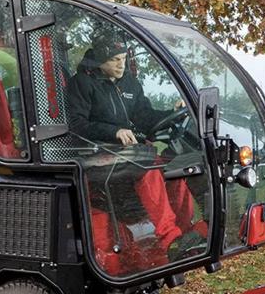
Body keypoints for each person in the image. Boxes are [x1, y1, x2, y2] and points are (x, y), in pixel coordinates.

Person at [67, 36, 203, 261]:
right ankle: (169, 238)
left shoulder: (129, 83)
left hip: (126, 153)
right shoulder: (81, 83)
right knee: (148, 170)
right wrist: (114, 132)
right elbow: (77, 125)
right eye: (114, 60)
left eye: (123, 58)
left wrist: (171, 112)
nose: (121, 65)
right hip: (96, 153)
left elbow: (144, 117)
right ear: (99, 60)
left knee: (175, 169)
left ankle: (185, 234)